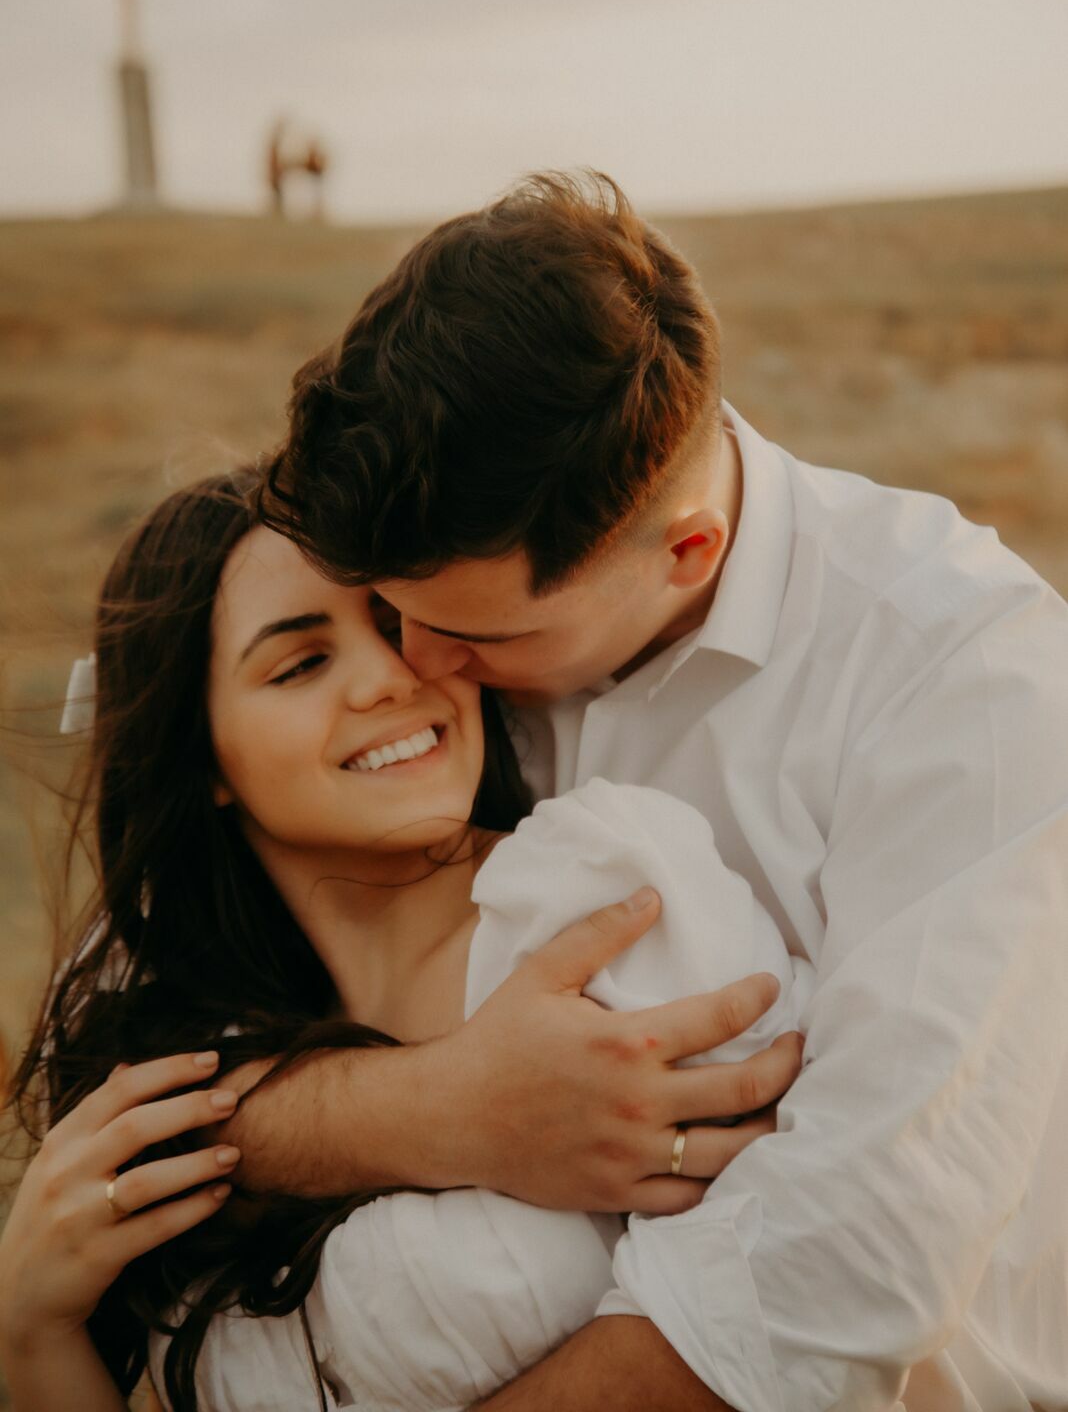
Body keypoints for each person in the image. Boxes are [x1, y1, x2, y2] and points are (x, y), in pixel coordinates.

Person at [216, 170, 1068, 1410]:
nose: (412, 668)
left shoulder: (968, 677)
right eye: (388, 609)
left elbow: (853, 1260)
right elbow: (150, 1044)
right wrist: (436, 1109)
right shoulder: (425, 667)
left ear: (687, 552)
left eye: (471, 634)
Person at [0, 469, 804, 1411]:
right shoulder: (176, 1058)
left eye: (398, 625)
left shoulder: (601, 902)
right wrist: (31, 1332)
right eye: (301, 665)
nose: (389, 678)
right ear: (203, 757)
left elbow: (798, 1301)